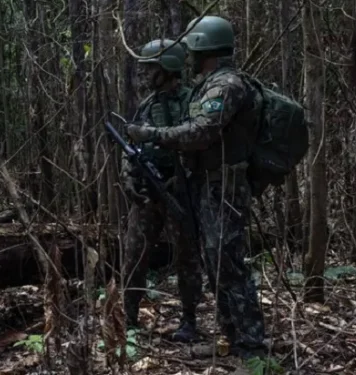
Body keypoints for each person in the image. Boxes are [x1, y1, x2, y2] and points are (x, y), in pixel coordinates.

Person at [124, 15, 267, 360]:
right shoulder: (204, 87)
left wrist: (156, 137)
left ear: (203, 45)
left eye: (192, 47)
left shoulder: (226, 85)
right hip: (199, 189)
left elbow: (201, 132)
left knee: (224, 264)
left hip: (214, 190)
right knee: (216, 263)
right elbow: (140, 150)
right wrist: (132, 173)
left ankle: (249, 346)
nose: (188, 55)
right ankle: (236, 342)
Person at [121, 38, 203, 343]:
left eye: (152, 67)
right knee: (134, 253)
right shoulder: (148, 104)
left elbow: (198, 140)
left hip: (179, 191)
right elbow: (131, 144)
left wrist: (181, 179)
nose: (146, 74)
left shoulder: (191, 101)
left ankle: (190, 320)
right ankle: (127, 317)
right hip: (147, 191)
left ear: (168, 67)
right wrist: (128, 176)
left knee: (187, 257)